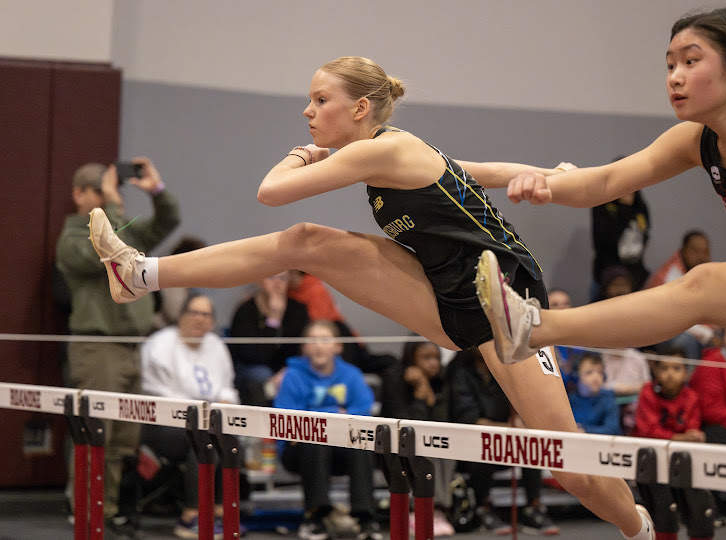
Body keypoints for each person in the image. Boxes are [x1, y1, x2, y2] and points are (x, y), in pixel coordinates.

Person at [88, 55, 655, 539]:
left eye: (320, 99)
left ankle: (640, 528)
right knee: (307, 243)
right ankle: (142, 274)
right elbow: (485, 171)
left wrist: (301, 156)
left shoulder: (382, 151)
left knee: (567, 459)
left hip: (509, 303)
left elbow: (270, 191)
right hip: (446, 299)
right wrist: (542, 173)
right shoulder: (394, 155)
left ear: (360, 108)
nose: (308, 112)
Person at [478, 7, 726, 453]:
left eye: (691, 61)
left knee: (708, 284)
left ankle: (536, 328)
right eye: (669, 65)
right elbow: (606, 182)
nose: (675, 76)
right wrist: (545, 186)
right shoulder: (695, 141)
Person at [56, 158, 180, 537]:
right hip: (98, 347)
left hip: (130, 346)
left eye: (111, 192)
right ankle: (85, 510)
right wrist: (111, 204)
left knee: (123, 439)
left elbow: (167, 222)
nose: (111, 199)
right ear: (79, 195)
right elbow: (104, 248)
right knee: (95, 433)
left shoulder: (124, 231)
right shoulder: (74, 238)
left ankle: (106, 509)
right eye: (99, 191)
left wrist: (157, 192)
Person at [139, 294, 239, 539]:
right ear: (181, 316)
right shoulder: (160, 344)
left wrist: (225, 401)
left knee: (227, 440)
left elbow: (227, 386)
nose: (199, 319)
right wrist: (200, 411)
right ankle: (192, 515)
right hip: (164, 422)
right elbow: (154, 391)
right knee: (203, 439)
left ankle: (220, 512)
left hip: (208, 419)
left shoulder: (217, 345)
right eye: (194, 312)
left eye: (206, 315)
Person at [273, 320, 380, 540]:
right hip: (300, 450)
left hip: (342, 448)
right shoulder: (292, 376)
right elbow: (289, 420)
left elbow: (363, 412)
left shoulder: (351, 375)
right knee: (316, 436)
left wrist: (324, 416)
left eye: (325, 339)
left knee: (361, 443)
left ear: (337, 347)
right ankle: (316, 517)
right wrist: (335, 413)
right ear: (304, 347)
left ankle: (364, 518)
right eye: (312, 340)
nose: (318, 346)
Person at [449, 348, 559, 535]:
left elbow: (519, 404)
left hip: (505, 440)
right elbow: (470, 419)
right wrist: (507, 427)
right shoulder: (459, 375)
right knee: (480, 448)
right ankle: (484, 508)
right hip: (470, 444)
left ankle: (532, 507)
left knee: (531, 445)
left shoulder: (503, 372)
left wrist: (520, 420)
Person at [633, 350, 715, 540]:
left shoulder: (691, 396)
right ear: (656, 372)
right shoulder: (647, 392)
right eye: (664, 368)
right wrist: (679, 437)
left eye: (676, 368)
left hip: (683, 459)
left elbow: (692, 428)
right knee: (663, 507)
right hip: (650, 459)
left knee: (699, 504)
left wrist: (692, 436)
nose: (670, 373)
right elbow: (648, 431)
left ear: (686, 372)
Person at [380, 339, 455, 537]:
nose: (433, 363)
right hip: (395, 444)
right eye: (426, 358)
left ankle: (438, 509)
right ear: (411, 359)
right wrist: (421, 396)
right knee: (426, 448)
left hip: (432, 440)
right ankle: (420, 510)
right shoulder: (393, 378)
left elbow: (443, 421)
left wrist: (425, 388)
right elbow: (408, 424)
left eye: (436, 358)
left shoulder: (442, 380)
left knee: (445, 448)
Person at [228, 272, 310, 405]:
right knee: (262, 376)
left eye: (282, 278)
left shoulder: (298, 310)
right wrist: (273, 320)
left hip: (287, 368)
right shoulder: (246, 311)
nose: (277, 283)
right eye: (271, 277)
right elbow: (253, 356)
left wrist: (287, 370)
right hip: (252, 369)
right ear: (260, 280)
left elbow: (302, 350)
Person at [646, 230, 716, 359]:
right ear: (683, 251)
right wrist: (708, 335)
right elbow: (674, 319)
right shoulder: (670, 276)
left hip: (701, 329)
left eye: (705, 252)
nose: (701, 256)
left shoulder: (705, 272)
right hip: (665, 330)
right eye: (695, 251)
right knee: (687, 342)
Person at [591, 170, 650, 299]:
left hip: (634, 273)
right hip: (607, 274)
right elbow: (603, 240)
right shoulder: (602, 204)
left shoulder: (640, 205)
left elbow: (644, 236)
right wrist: (624, 209)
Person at [568, 353, 621, 436]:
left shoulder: (608, 398)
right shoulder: (569, 399)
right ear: (576, 376)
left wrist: (584, 429)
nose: (596, 377)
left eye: (600, 372)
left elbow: (612, 429)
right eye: (589, 372)